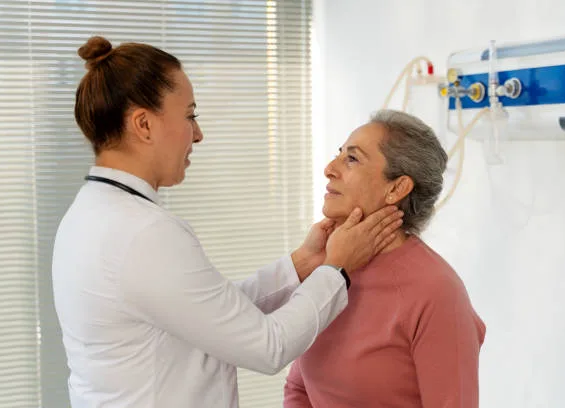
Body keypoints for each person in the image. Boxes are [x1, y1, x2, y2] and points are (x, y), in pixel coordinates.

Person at [51, 36, 404, 408]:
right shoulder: (144, 234)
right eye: (189, 116)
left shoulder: (88, 215)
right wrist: (337, 268)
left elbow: (207, 312)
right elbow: (268, 346)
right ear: (143, 124)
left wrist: (301, 265)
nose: (198, 134)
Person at [283, 110, 486, 408]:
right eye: (339, 154)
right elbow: (298, 388)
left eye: (351, 159)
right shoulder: (327, 269)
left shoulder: (437, 293)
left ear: (397, 188)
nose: (329, 168)